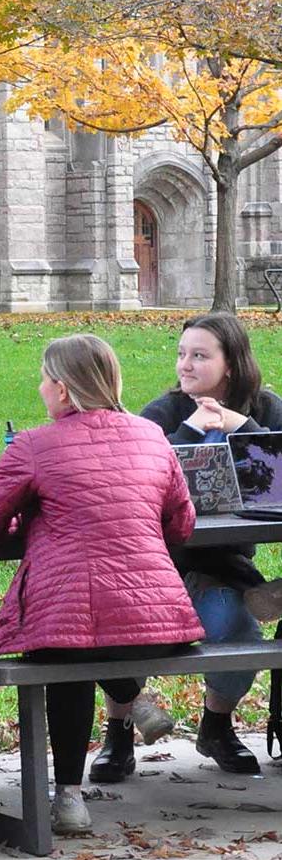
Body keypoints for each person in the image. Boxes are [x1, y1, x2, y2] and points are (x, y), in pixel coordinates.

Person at [0, 334, 204, 834]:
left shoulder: (34, 444)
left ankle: (68, 797)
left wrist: (25, 523)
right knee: (82, 636)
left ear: (65, 390)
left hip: (68, 626)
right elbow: (180, 525)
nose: (40, 387)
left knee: (63, 648)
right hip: (158, 622)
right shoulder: (152, 436)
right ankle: (131, 696)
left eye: (46, 378)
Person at [117, 311, 282, 778]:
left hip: (225, 566)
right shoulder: (163, 413)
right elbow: (138, 477)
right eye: (181, 354)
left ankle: (216, 727)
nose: (185, 365)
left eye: (199, 355)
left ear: (230, 364)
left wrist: (240, 425)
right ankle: (117, 734)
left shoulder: (267, 410)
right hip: (153, 569)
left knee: (239, 630)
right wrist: (191, 429)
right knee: (122, 621)